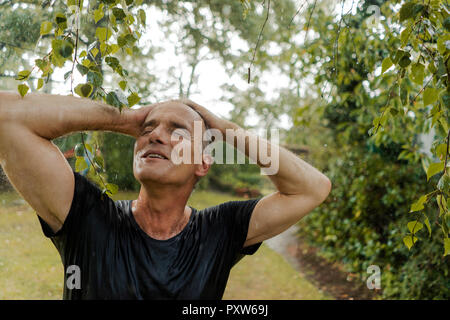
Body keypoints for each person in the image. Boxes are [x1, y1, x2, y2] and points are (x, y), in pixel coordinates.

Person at [0, 92, 332, 299]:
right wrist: (124, 118)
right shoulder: (87, 217)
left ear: (202, 163)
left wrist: (223, 129)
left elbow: (312, 189)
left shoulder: (220, 231)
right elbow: (6, 117)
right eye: (147, 129)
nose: (156, 135)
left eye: (177, 131)